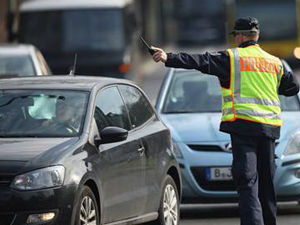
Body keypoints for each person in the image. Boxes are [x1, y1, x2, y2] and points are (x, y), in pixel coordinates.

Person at [151, 17, 299, 225]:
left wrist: (168, 57)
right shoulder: (274, 62)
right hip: (269, 131)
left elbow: (199, 61)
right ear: (257, 36)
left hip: (244, 127)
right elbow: (292, 87)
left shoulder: (232, 58)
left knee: (247, 183)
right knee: (267, 183)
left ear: (239, 36)